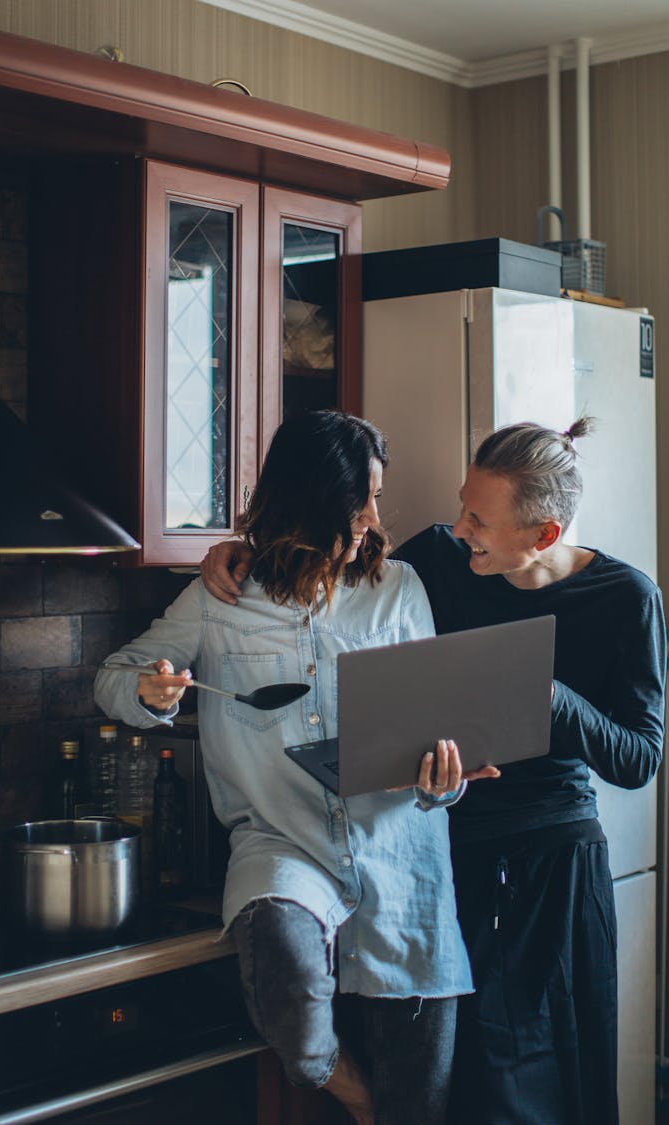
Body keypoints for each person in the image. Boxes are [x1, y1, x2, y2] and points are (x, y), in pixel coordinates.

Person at [199, 416, 666, 1125]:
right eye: (461, 503)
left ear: (541, 534)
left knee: (553, 1089)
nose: (456, 526)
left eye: (478, 517)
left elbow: (639, 757)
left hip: (554, 870)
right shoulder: (443, 562)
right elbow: (331, 561)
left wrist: (548, 697)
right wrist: (233, 553)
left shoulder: (626, 599)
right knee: (469, 1092)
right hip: (451, 862)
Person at [95, 410, 497, 1125]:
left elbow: (441, 731)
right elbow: (115, 676)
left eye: (377, 495)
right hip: (281, 846)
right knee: (284, 969)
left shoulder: (400, 589)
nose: (375, 517)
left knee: (422, 1102)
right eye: (359, 499)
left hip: (401, 862)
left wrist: (447, 779)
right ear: (310, 500)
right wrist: (149, 691)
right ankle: (356, 1097)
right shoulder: (219, 599)